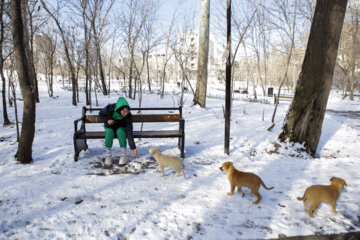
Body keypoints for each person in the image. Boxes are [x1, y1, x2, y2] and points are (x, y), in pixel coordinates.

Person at [99, 97, 137, 166]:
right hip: (110, 126)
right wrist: (107, 119)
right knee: (109, 132)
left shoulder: (128, 116)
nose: (125, 114)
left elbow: (129, 131)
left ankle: (123, 154)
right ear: (119, 110)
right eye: (124, 112)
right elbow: (101, 113)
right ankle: (108, 155)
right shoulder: (110, 108)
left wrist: (133, 147)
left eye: (127, 111)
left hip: (120, 126)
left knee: (121, 132)